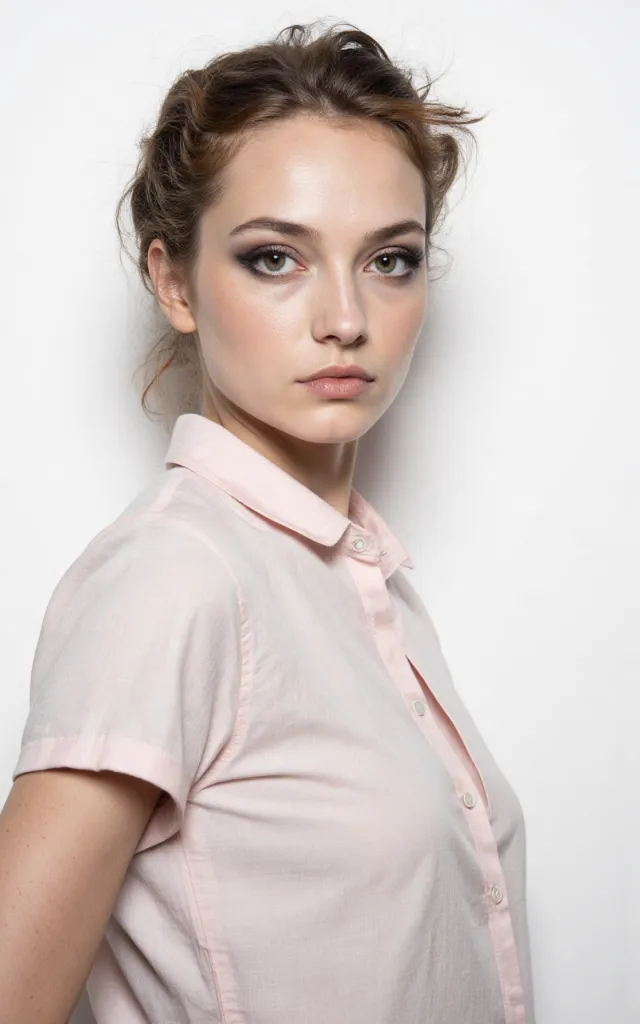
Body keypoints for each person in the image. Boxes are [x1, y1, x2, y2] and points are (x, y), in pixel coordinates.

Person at [0, 18, 536, 1024]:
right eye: (274, 258)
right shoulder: (176, 577)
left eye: (390, 260)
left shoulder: (367, 588)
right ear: (174, 283)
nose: (344, 316)